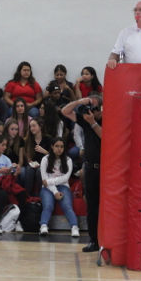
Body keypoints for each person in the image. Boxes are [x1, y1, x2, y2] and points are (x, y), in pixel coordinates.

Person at [61, 95, 102, 253]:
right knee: (92, 206)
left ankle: (108, 238)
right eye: (91, 108)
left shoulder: (108, 120)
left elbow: (107, 137)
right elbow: (65, 111)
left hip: (106, 169)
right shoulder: (86, 120)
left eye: (95, 108)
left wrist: (93, 123)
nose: (92, 111)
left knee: (107, 205)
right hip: (90, 167)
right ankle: (94, 240)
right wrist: (79, 102)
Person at [39, 137, 79, 237]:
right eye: (57, 146)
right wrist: (55, 192)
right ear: (52, 147)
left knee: (67, 206)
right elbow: (44, 180)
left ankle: (74, 227)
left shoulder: (68, 160)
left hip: (63, 186)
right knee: (48, 205)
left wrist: (49, 181)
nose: (59, 149)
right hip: (48, 188)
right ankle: (43, 225)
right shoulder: (45, 159)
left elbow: (65, 178)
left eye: (61, 146)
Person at [22, 117, 52, 196]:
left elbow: (53, 156)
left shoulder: (48, 139)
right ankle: (27, 194)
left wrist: (44, 151)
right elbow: (27, 154)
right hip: (33, 163)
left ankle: (41, 194)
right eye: (30, 126)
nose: (32, 128)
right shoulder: (28, 139)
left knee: (39, 171)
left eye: (34, 126)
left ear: (40, 126)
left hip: (45, 163)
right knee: (29, 169)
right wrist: (30, 161)